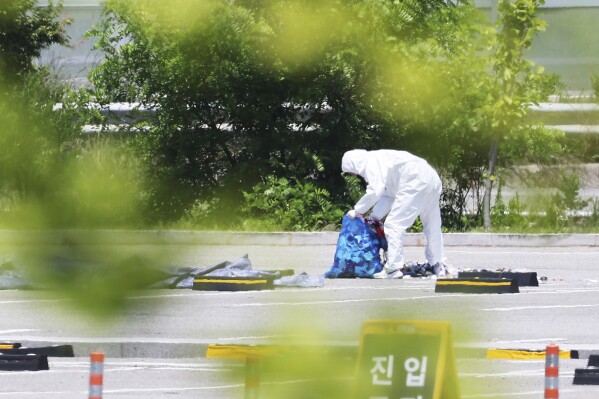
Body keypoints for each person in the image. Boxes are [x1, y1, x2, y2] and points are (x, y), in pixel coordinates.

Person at [341, 149, 446, 279]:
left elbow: (375, 191)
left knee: (393, 225)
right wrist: (374, 217)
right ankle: (436, 263)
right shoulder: (384, 160)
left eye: (352, 171)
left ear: (354, 163)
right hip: (431, 178)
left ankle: (393, 268)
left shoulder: (371, 162)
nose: (354, 174)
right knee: (432, 225)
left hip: (415, 180)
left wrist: (357, 211)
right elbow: (388, 196)